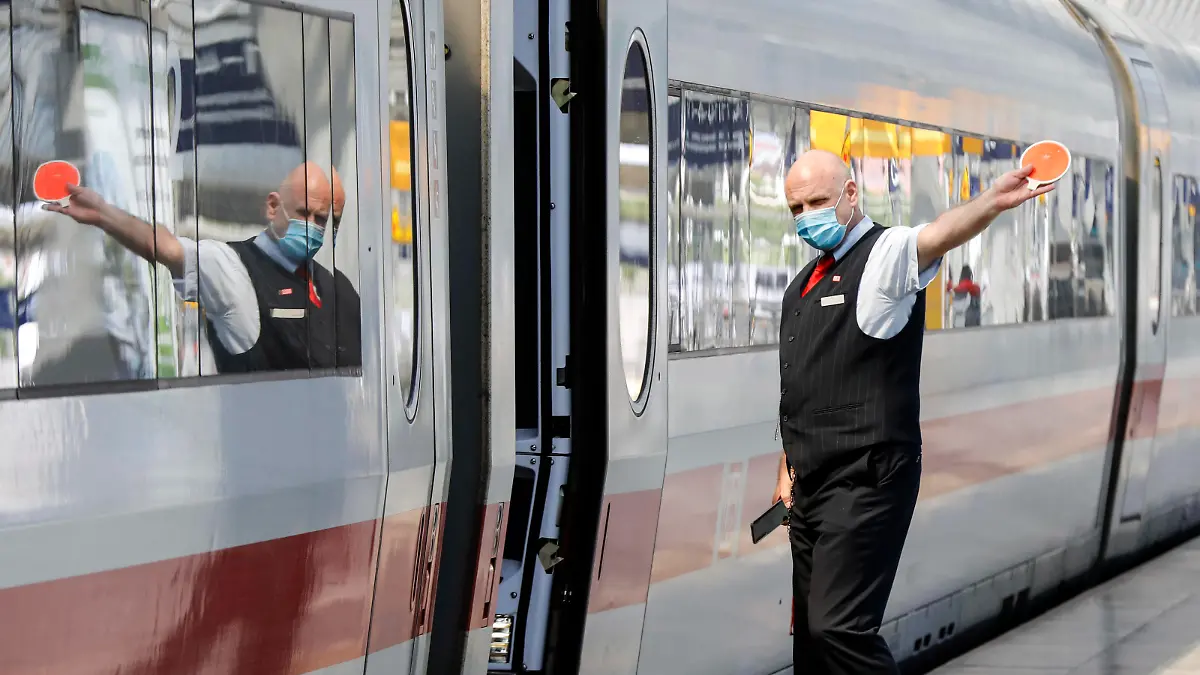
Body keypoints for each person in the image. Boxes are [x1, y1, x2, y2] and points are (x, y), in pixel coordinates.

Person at [772, 149, 1052, 673]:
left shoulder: (885, 256)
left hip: (869, 477)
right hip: (811, 484)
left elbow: (938, 233)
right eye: (796, 208)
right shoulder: (800, 287)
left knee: (838, 626)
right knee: (811, 642)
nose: (806, 215)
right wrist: (787, 466)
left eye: (817, 202)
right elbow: (802, 387)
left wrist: (992, 200)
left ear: (851, 194)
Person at [46, 161, 361, 373]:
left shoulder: (338, 290)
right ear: (273, 206)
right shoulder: (233, 268)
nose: (313, 227)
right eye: (304, 212)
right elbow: (166, 246)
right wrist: (102, 214)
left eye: (323, 220)